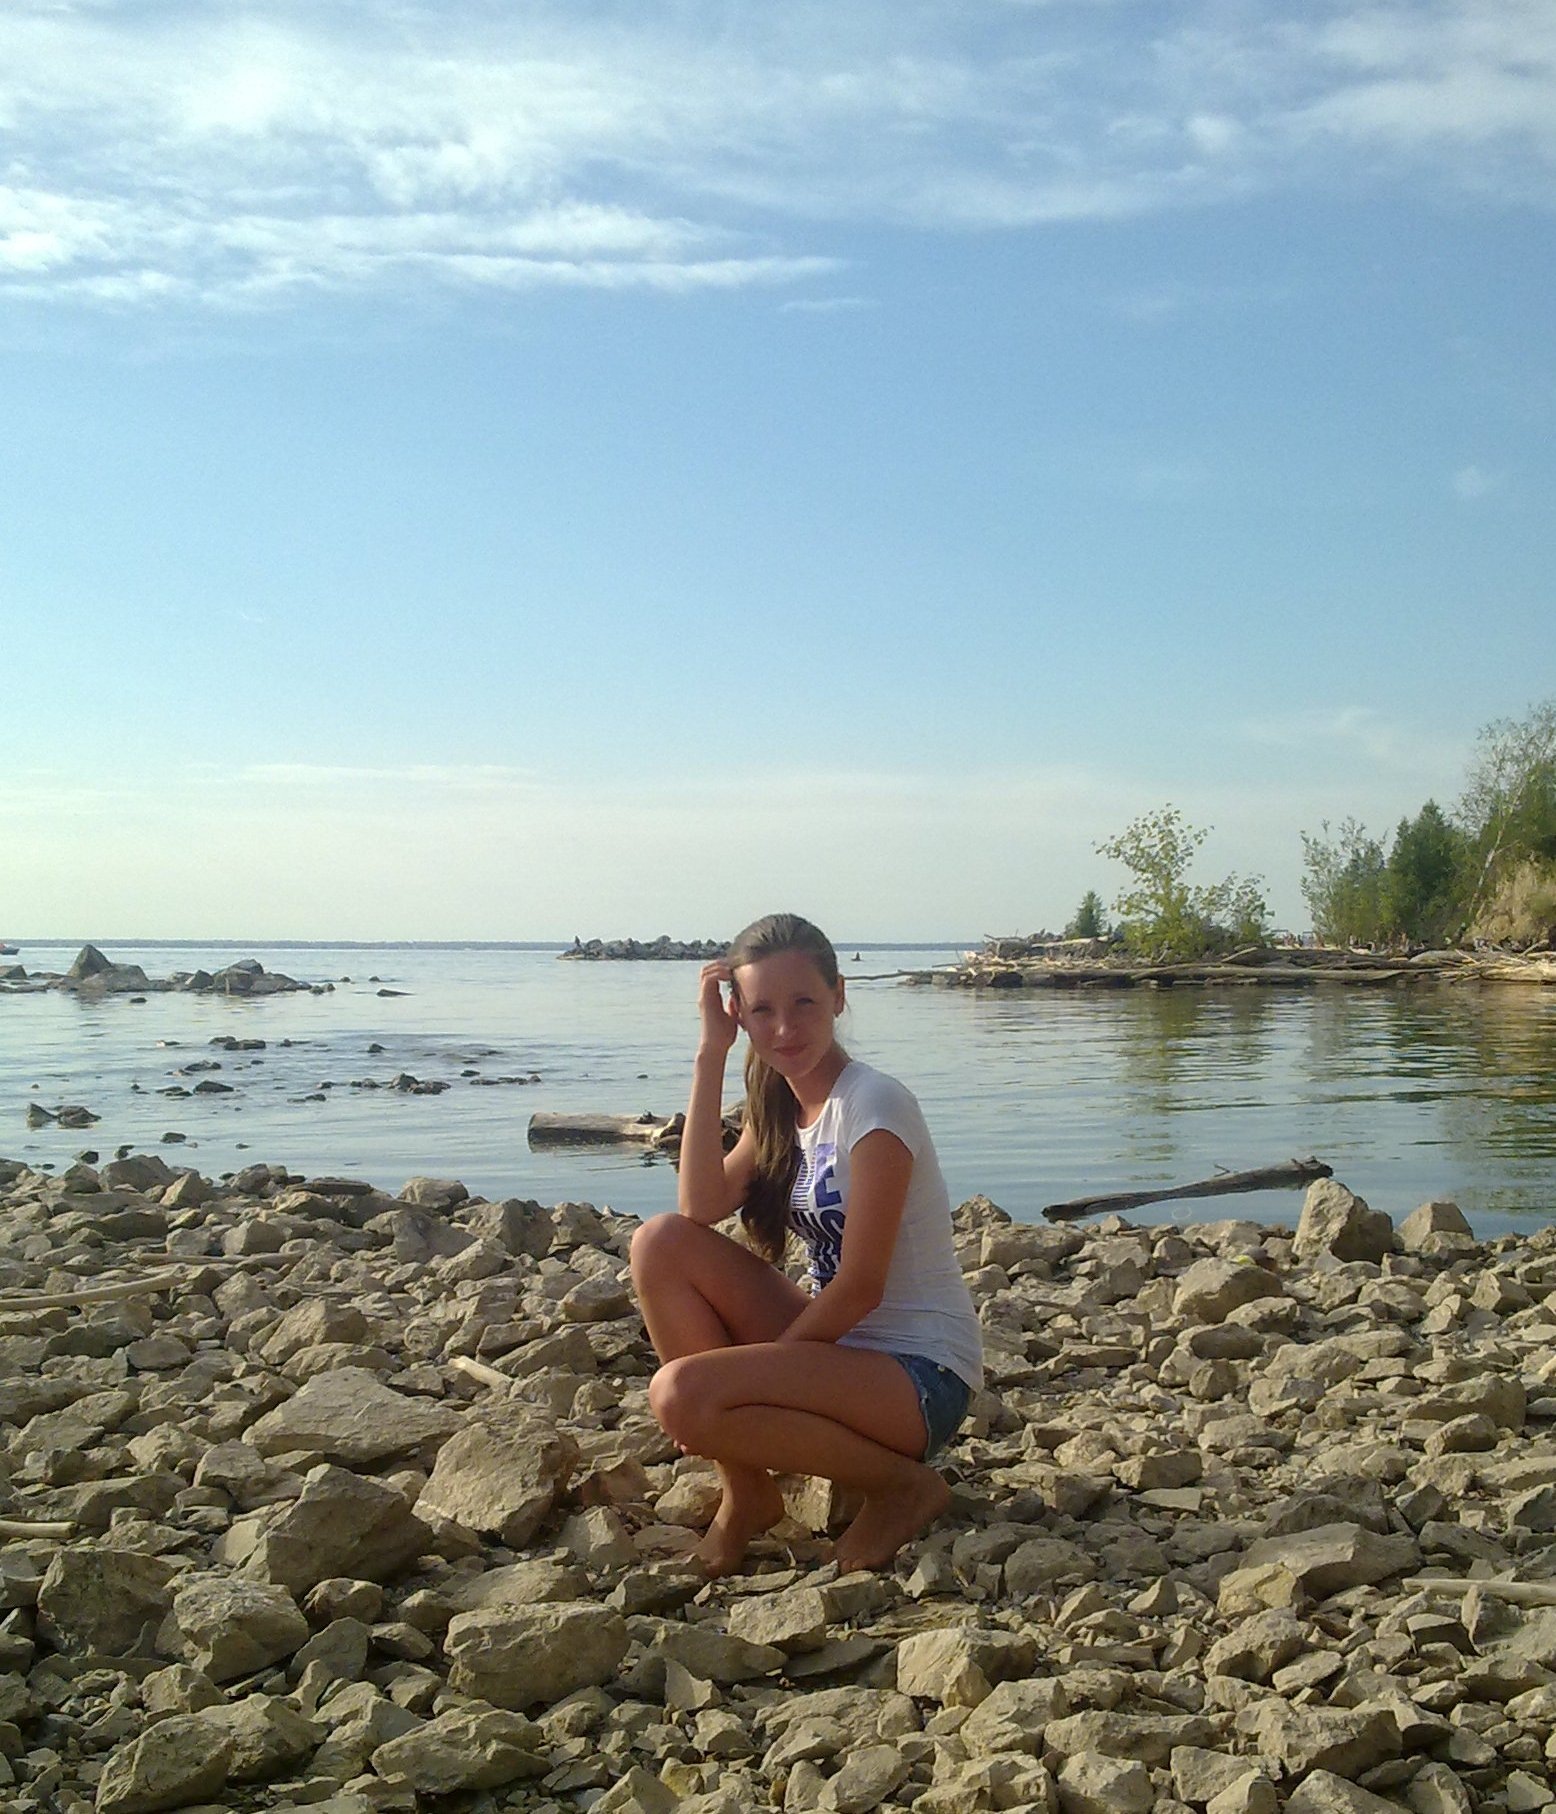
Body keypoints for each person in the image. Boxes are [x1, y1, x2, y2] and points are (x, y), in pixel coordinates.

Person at [630, 912, 983, 1574]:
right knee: (659, 1243)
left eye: (804, 1004)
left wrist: (765, 1377)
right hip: (840, 1354)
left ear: (838, 998)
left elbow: (861, 1287)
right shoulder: (782, 1108)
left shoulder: (874, 1106)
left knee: (681, 1395)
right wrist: (711, 1053)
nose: (785, 1029)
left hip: (919, 1376)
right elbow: (698, 1206)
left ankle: (902, 1487)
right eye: (762, 1010)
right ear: (739, 1015)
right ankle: (747, 1495)